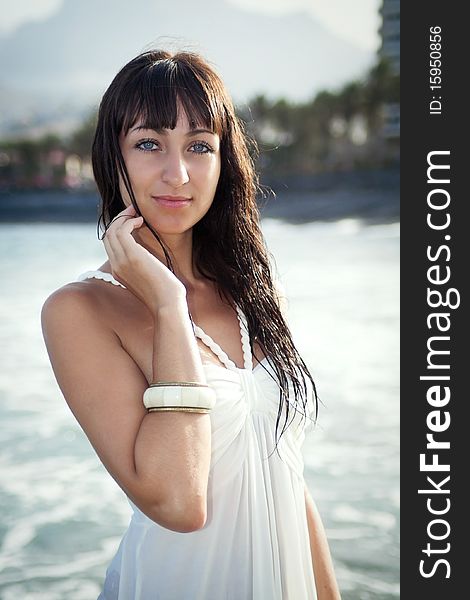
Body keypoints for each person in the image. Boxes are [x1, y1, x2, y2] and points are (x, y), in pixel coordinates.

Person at [41, 49, 341, 600]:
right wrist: (166, 304)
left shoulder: (246, 288)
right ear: (114, 158)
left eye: (199, 146)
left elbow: (288, 483)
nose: (177, 174)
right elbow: (178, 503)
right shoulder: (79, 310)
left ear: (224, 161)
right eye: (149, 144)